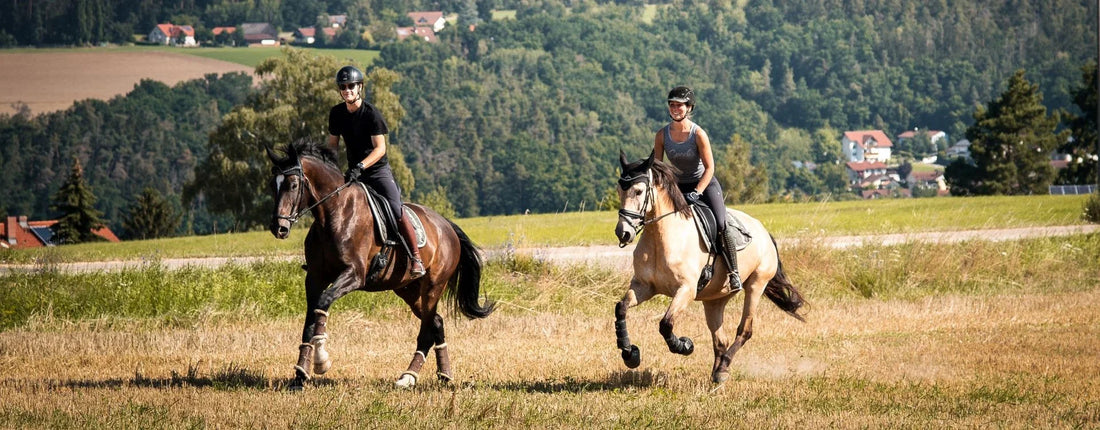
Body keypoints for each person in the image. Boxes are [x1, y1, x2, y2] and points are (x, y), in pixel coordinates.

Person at [327, 65, 425, 278]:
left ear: (359, 87)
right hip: (353, 172)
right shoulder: (336, 114)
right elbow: (332, 146)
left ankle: (416, 258)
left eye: (351, 86)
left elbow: (380, 149)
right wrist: (329, 166)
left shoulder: (372, 115)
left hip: (377, 171)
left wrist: (361, 166)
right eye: (343, 87)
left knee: (395, 208)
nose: (347, 90)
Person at [653, 85, 741, 291]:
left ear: (689, 107)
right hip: (677, 187)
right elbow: (658, 168)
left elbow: (710, 168)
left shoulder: (698, 134)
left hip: (705, 184)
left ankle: (734, 272)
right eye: (672, 105)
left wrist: (698, 191)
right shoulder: (661, 135)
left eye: (680, 106)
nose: (675, 109)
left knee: (720, 223)